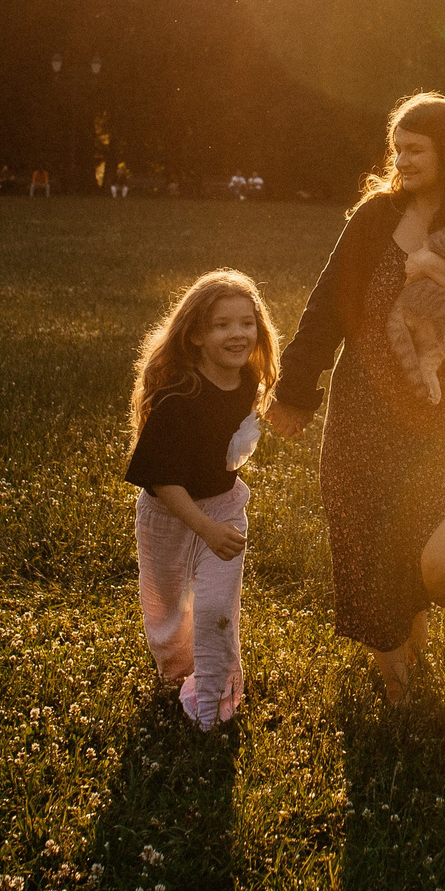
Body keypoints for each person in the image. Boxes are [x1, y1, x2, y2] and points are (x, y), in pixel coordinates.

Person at [269, 93, 445, 704]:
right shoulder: (374, 219)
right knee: (368, 542)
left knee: (437, 564)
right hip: (363, 405)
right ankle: (400, 692)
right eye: (397, 148)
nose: (402, 160)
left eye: (416, 149)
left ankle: (408, 623)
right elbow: (327, 305)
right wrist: (294, 390)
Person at [126, 270, 278, 731]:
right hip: (170, 513)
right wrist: (204, 528)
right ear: (195, 335)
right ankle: (178, 677)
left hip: (224, 509)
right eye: (222, 325)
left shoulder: (249, 379)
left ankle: (214, 703)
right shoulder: (179, 397)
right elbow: (161, 480)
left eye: (247, 323)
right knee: (169, 610)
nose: (238, 334)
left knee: (214, 609)